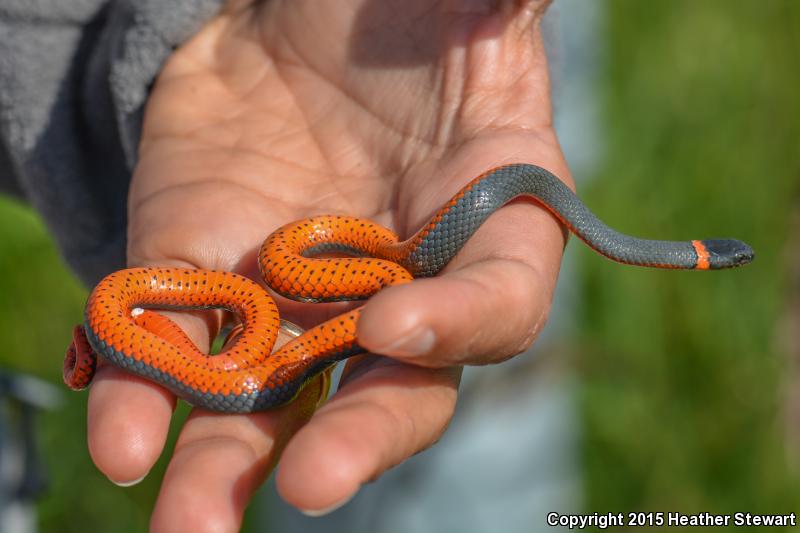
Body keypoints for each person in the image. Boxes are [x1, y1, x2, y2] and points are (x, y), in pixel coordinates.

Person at [1, 0, 573, 530]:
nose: (79, 365)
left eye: (82, 361)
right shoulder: (224, 322)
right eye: (83, 362)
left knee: (464, 376)